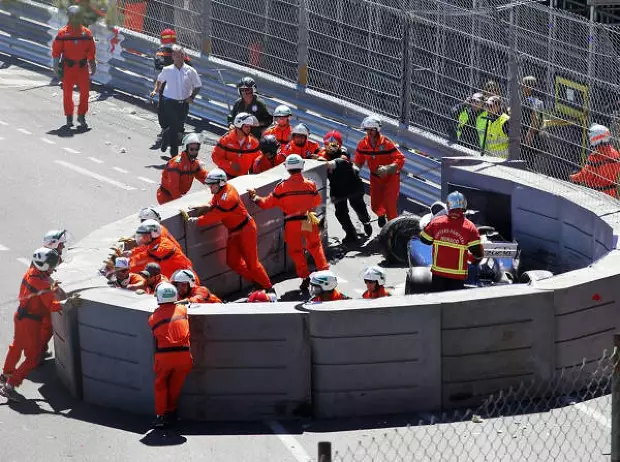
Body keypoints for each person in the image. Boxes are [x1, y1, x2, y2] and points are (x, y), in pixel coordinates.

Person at [248, 155, 329, 291]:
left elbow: (265, 204)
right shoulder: (310, 184)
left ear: (287, 168)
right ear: (301, 166)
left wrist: (254, 196)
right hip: (309, 218)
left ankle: (305, 277)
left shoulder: (282, 187)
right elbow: (316, 201)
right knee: (315, 246)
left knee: (297, 252)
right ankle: (325, 273)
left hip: (291, 223)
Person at [187, 169, 273, 291]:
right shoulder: (223, 191)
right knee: (233, 262)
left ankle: (269, 287)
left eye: (212, 185)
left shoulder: (228, 198)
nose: (210, 188)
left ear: (220, 183)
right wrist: (203, 206)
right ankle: (257, 282)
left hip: (246, 230)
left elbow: (215, 215)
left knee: (252, 264)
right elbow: (214, 204)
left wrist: (197, 220)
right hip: (235, 231)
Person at [0, 248, 63, 401]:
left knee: (16, 347)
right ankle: (9, 386)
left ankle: (5, 374)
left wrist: (51, 286)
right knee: (33, 358)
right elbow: (53, 306)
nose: (53, 268)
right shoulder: (41, 283)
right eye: (51, 265)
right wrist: (67, 303)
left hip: (20, 316)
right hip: (31, 322)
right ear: (44, 265)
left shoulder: (32, 272)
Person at [419, 191, 483, 292]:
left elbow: (424, 240)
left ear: (448, 206)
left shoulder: (436, 222)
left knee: (437, 301)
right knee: (454, 305)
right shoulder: (470, 227)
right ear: (463, 206)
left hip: (438, 273)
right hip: (457, 276)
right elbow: (477, 253)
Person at [148, 283, 193, 428]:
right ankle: (172, 411)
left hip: (164, 357)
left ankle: (161, 416)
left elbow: (156, 326)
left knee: (160, 385)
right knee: (176, 385)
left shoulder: (153, 317)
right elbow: (179, 309)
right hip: (184, 356)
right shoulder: (182, 310)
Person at [318, 130, 372, 243]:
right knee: (340, 213)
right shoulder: (322, 154)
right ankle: (351, 233)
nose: (331, 148)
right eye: (328, 144)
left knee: (358, 207)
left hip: (352, 186)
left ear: (339, 145)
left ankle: (366, 222)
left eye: (334, 145)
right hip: (337, 188)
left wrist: (329, 163)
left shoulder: (344, 153)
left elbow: (342, 161)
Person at [354, 116, 406, 227]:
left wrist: (387, 168)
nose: (367, 133)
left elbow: (400, 158)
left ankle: (393, 229)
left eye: (369, 130)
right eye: (366, 130)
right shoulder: (363, 144)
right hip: (375, 178)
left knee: (390, 204)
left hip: (391, 178)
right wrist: (355, 169)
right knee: (375, 206)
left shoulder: (387, 143)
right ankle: (381, 215)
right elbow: (359, 159)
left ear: (375, 130)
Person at [151, 45, 202, 156]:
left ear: (184, 56)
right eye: (177, 56)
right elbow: (159, 80)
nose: (179, 58)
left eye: (181, 56)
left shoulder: (190, 70)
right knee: (174, 128)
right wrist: (155, 90)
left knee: (178, 126)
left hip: (183, 103)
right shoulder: (167, 70)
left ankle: (165, 135)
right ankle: (174, 154)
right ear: (173, 57)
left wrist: (192, 97)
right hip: (169, 101)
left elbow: (198, 85)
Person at [52, 5, 96, 129]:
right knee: (67, 94)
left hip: (82, 68)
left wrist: (93, 65)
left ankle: (81, 115)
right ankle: (69, 117)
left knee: (85, 94)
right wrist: (55, 66)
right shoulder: (63, 33)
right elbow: (56, 51)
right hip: (68, 68)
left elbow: (91, 51)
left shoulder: (86, 33)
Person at [153, 28, 192, 146]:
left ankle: (169, 130)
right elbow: (190, 66)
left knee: (164, 109)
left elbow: (158, 64)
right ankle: (174, 131)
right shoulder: (181, 51)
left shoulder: (162, 50)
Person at [129, 219, 197, 281]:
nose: (142, 237)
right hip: (182, 278)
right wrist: (131, 252)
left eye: (145, 235)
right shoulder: (160, 241)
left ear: (153, 235)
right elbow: (146, 249)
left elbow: (140, 261)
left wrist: (125, 263)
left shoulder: (159, 252)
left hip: (183, 282)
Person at [156, 133, 209, 205]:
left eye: (196, 149)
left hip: (177, 196)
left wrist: (216, 182)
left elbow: (203, 175)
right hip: (166, 197)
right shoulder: (176, 164)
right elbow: (173, 187)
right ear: (186, 148)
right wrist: (181, 203)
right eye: (192, 149)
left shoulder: (193, 162)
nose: (194, 152)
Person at [570, 124, 620, 198]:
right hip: (611, 193)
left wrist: (573, 177)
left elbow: (586, 175)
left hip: (596, 193)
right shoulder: (615, 153)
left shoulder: (595, 156)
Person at [212, 113, 261, 179]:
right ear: (239, 126)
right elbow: (215, 157)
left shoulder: (253, 143)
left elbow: (258, 160)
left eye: (250, 127)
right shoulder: (225, 140)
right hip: (225, 178)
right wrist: (230, 164)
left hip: (242, 179)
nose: (249, 129)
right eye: (246, 126)